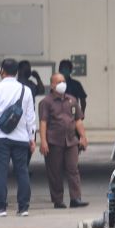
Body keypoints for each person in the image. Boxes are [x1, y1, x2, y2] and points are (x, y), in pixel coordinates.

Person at [0, 59, 36, 217]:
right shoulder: (25, 90)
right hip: (21, 137)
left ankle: (1, 208)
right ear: (17, 72)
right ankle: (23, 207)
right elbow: (30, 117)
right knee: (22, 172)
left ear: (1, 71)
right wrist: (31, 137)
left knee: (1, 172)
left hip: (0, 137)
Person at [38, 73, 89, 209]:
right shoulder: (46, 102)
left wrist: (83, 136)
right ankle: (58, 200)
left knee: (73, 169)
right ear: (53, 85)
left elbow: (78, 120)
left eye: (63, 81)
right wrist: (43, 141)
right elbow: (43, 122)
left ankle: (75, 198)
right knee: (55, 172)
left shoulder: (72, 100)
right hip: (54, 141)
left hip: (71, 141)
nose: (62, 84)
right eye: (59, 82)